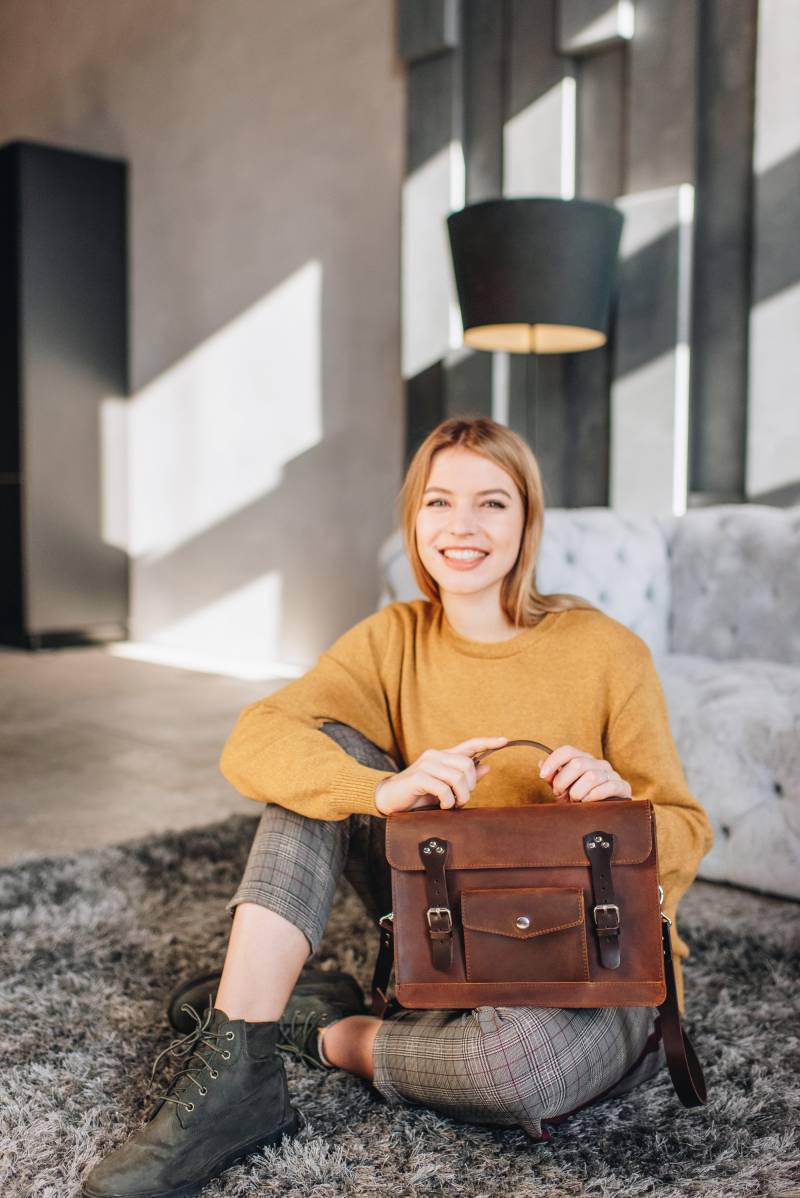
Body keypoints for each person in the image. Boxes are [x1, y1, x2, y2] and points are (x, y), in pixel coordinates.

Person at [83, 416, 713, 1198]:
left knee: (519, 1069)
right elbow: (255, 739)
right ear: (414, 519)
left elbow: (687, 826)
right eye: (439, 502)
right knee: (319, 760)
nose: (462, 526)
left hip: (585, 958)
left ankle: (326, 1030)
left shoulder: (606, 651)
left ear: (527, 521)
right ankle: (231, 1068)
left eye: (491, 503)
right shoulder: (393, 639)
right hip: (443, 937)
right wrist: (377, 789)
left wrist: (619, 812)